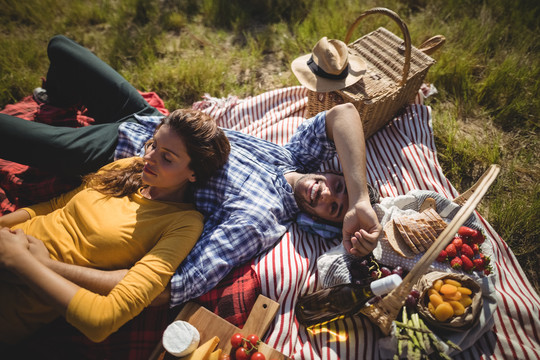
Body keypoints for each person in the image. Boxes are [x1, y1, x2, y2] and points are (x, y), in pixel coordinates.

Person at [0, 35, 382, 311]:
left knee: (8, 134)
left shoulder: (260, 218)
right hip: (150, 121)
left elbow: (179, 285)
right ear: (332, 172)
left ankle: (54, 125)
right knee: (61, 48)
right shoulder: (294, 155)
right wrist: (358, 199)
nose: (328, 194)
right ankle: (58, 102)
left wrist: (51, 268)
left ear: (315, 220)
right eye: (338, 187)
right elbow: (343, 114)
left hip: (123, 153)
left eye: (333, 208)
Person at [0, 108, 231, 344]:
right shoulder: (129, 167)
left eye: (167, 158)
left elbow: (102, 320)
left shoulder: (183, 223)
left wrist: (25, 261)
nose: (148, 158)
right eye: (152, 145)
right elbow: (57, 205)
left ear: (193, 173)